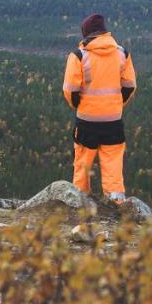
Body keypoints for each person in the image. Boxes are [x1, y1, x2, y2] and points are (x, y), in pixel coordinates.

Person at [62, 13, 137, 202]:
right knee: (113, 166)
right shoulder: (122, 54)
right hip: (113, 120)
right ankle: (117, 205)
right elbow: (129, 85)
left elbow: (70, 90)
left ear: (86, 33)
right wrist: (117, 104)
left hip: (87, 120)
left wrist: (80, 106)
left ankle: (79, 204)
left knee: (82, 166)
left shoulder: (79, 56)